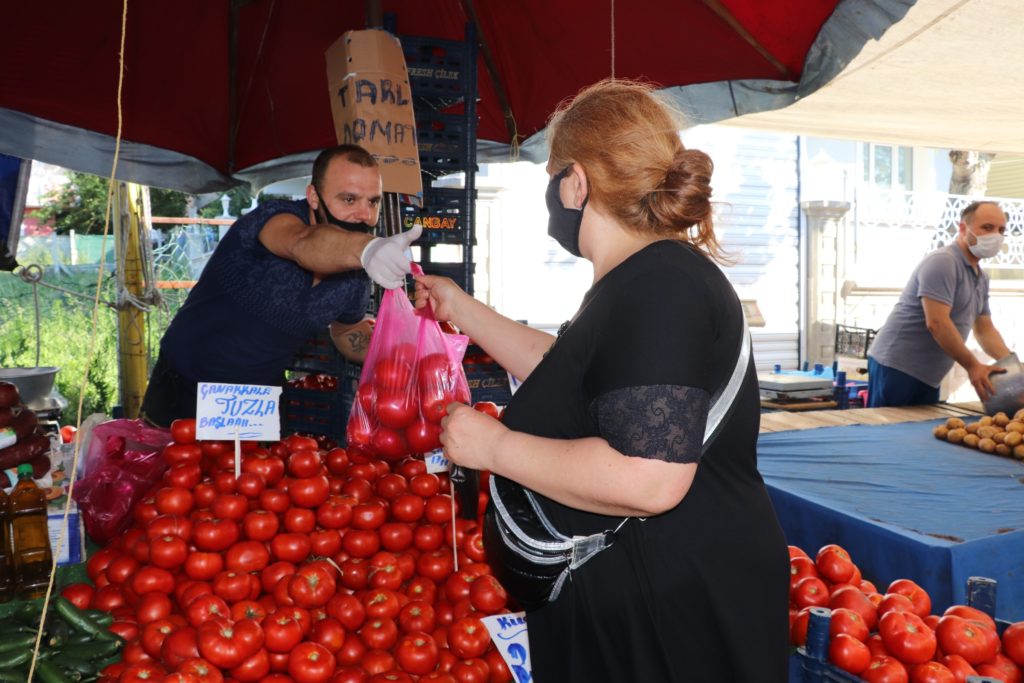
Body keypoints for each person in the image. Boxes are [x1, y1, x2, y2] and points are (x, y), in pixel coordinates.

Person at [414, 79, 789, 682]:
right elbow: (570, 376)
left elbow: (650, 477)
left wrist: (493, 449)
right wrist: (460, 308)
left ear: (577, 182)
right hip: (649, 593)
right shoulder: (642, 277)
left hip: (669, 613)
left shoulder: (660, 285)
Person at [140, 144, 421, 428]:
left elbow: (347, 329)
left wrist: (402, 353)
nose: (364, 214)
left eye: (373, 202)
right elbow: (303, 244)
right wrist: (367, 249)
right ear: (313, 196)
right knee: (172, 469)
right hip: (186, 383)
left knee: (259, 472)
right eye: (349, 199)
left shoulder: (357, 272)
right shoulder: (276, 220)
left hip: (256, 400)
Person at [867, 200, 1012, 407]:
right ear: (963, 228)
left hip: (929, 375)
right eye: (987, 227)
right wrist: (973, 366)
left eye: (1001, 230)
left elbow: (985, 330)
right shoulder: (943, 262)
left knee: (918, 435)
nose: (995, 235)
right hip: (898, 366)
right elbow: (937, 322)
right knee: (886, 433)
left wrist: (1012, 364)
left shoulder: (981, 277)